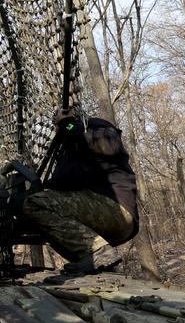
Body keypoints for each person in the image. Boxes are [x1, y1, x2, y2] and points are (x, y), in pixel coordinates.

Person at [23, 108, 139, 278]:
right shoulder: (70, 148)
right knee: (35, 209)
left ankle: (97, 252)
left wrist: (68, 125)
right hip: (102, 213)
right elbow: (61, 183)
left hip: (115, 208)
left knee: (35, 204)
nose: (58, 124)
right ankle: (92, 261)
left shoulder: (94, 127)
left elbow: (107, 143)